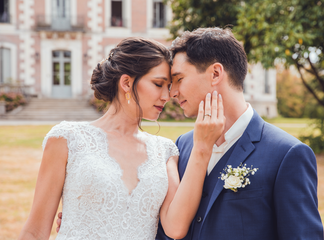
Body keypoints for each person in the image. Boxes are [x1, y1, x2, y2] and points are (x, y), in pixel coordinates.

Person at [17, 37, 225, 240]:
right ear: (126, 82)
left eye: (168, 86)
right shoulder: (67, 139)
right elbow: (35, 232)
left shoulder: (165, 151)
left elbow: (176, 228)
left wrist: (202, 147)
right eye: (158, 84)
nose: (167, 95)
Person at [154, 27, 324, 239]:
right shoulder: (183, 145)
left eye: (179, 79)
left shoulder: (287, 154)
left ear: (215, 73)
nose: (172, 93)